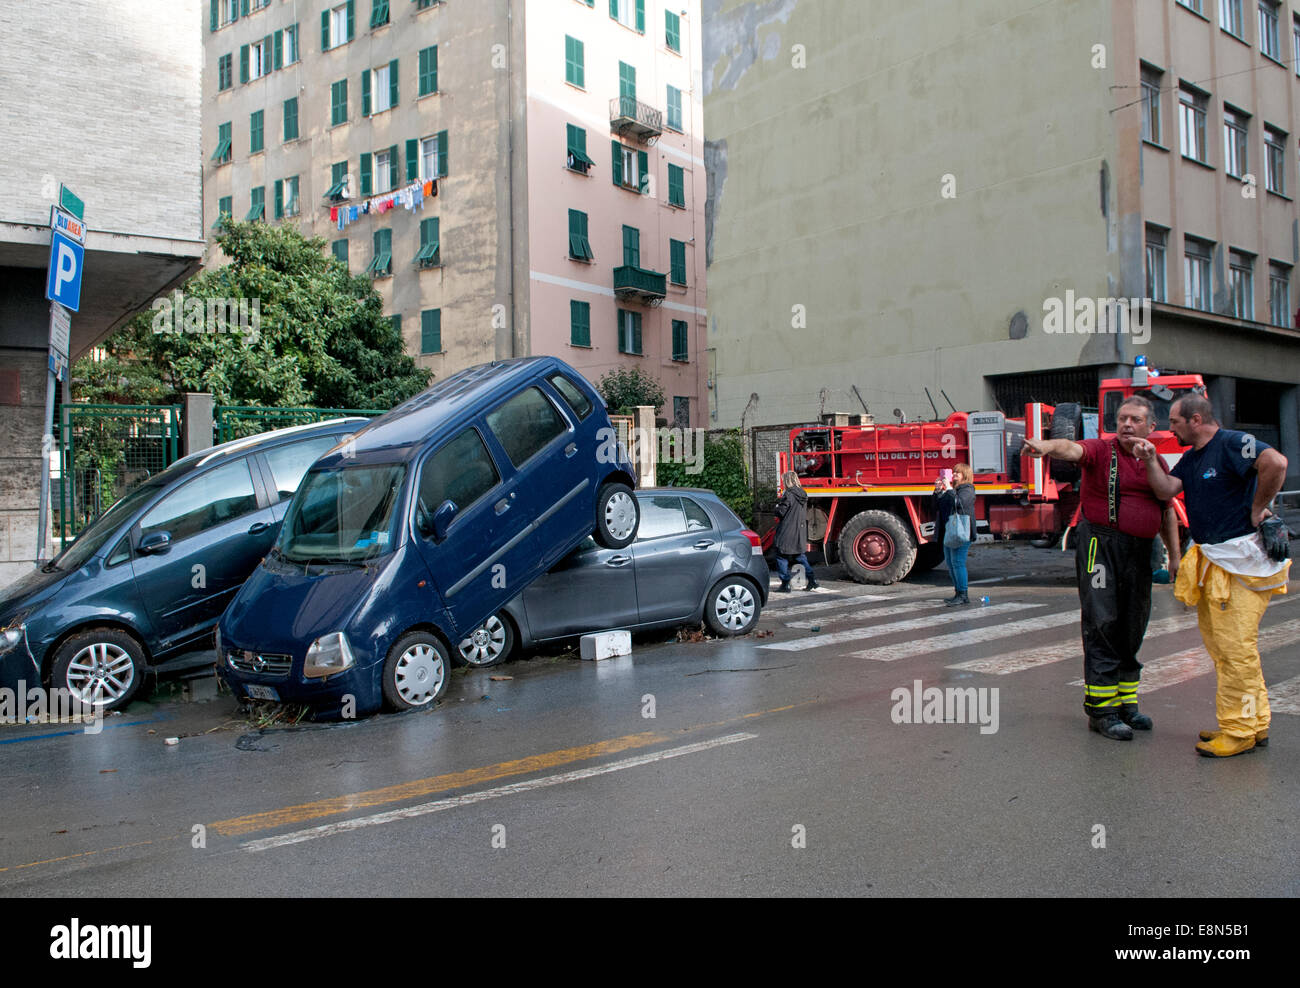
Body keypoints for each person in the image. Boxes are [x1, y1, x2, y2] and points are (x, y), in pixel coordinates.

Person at [1133, 394, 1291, 757]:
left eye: (1174, 422)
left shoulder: (1233, 443)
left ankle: (1240, 732)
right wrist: (1150, 460)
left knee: (1236, 651)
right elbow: (1166, 490)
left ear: (1196, 419)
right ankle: (1252, 722)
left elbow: (1276, 464)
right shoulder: (1192, 458)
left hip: (1238, 564)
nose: (1170, 429)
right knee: (1226, 650)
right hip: (1218, 563)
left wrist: (1257, 508)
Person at [1022, 396, 1182, 741]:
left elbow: (1168, 510)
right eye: (1122, 418)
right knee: (1103, 622)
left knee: (1132, 624)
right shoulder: (1100, 450)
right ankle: (1102, 712)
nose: (1126, 424)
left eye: (1135, 420)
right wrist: (1045, 446)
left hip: (1141, 552)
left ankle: (1127, 705)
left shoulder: (1157, 464)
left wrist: (1176, 557)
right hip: (1101, 546)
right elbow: (1070, 448)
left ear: (1151, 428)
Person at [933, 464, 976, 605]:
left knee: (958, 562)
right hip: (950, 532)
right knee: (951, 563)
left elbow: (959, 503)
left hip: (962, 531)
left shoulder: (968, 489)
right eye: (954, 472)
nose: (955, 474)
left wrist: (949, 489)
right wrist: (938, 491)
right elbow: (937, 506)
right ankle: (958, 593)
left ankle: (963, 594)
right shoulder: (955, 490)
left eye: (958, 472)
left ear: (965, 475)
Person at [772, 470, 821, 593]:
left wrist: (776, 507)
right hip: (799, 531)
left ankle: (785, 583)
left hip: (787, 531)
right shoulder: (803, 494)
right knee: (800, 556)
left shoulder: (788, 494)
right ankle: (812, 580)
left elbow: (782, 512)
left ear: (788, 481)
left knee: (781, 556)